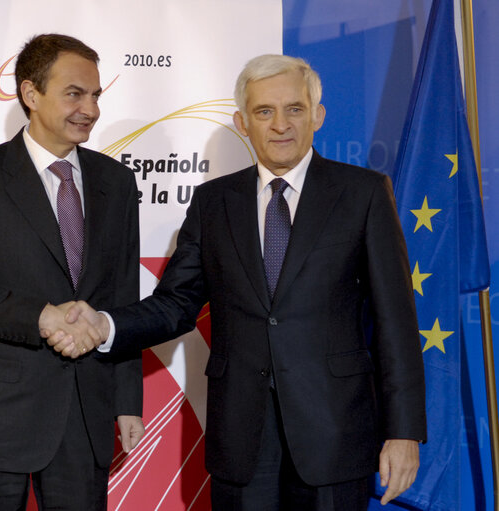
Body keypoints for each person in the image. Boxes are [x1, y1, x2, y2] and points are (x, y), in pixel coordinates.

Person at [51, 54, 426, 510]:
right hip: (242, 442)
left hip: (336, 436)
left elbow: (397, 324)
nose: (281, 125)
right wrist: (105, 325)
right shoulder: (214, 203)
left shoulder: (364, 193)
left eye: (295, 109)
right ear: (242, 123)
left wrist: (403, 432)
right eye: (264, 112)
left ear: (318, 116)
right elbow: (175, 304)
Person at [0, 33, 144, 511]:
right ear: (30, 94)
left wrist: (128, 398)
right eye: (74, 93)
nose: (90, 108)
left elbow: (123, 298)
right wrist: (40, 317)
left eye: (96, 95)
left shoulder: (117, 183)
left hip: (85, 412)